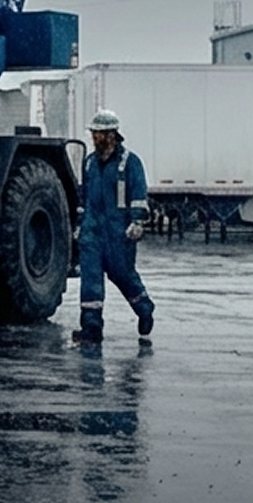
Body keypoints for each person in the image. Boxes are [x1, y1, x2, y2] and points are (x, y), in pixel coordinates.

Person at [74, 108, 155, 345]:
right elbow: (84, 197)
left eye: (99, 133)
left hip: (119, 233)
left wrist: (137, 221)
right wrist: (80, 225)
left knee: (122, 274)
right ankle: (91, 326)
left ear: (111, 134)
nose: (94, 137)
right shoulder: (89, 163)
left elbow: (139, 193)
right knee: (90, 277)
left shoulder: (130, 163)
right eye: (94, 133)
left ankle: (144, 308)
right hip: (92, 231)